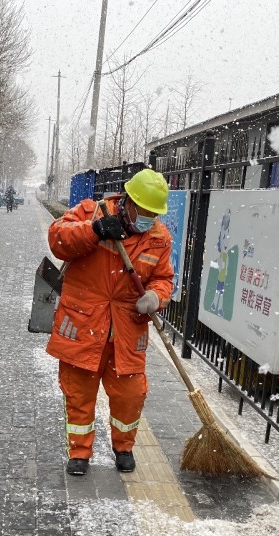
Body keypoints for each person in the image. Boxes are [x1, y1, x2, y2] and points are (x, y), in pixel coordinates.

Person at [46, 168, 174, 476]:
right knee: (79, 394)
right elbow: (57, 240)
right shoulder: (92, 212)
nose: (148, 219)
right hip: (83, 324)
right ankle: (79, 452)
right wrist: (95, 231)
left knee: (130, 396)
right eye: (144, 211)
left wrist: (157, 297)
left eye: (153, 214)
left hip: (127, 330)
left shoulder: (158, 237)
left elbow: (164, 278)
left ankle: (124, 447)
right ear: (128, 201)